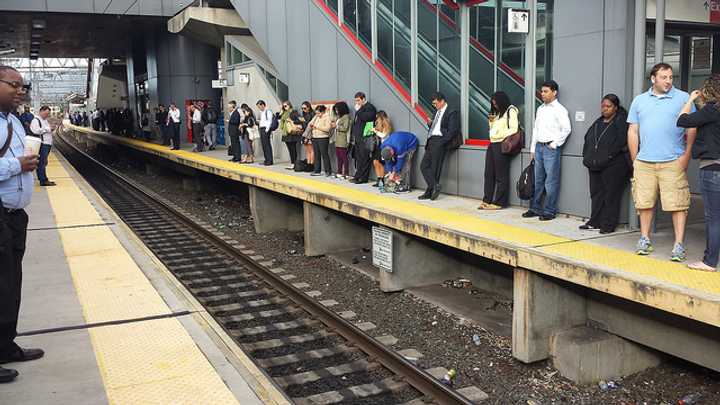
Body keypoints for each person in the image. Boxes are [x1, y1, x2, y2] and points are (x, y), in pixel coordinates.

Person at [0, 65, 43, 384]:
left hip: (15, 217)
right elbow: (11, 164)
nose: (20, 90)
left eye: (22, 85)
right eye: (13, 84)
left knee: (11, 283)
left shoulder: (13, 121)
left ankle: (5, 345)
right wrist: (17, 164)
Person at [628, 63, 696, 261]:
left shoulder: (683, 98)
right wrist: (635, 159)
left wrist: (686, 155)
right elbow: (633, 130)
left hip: (673, 161)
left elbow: (691, 128)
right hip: (644, 162)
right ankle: (644, 239)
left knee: (678, 204)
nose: (668, 81)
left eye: (670, 77)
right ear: (653, 79)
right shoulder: (639, 101)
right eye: (664, 77)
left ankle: (678, 245)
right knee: (644, 203)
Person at [677, 75, 720, 271]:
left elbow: (682, 120)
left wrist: (690, 100)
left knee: (714, 217)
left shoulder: (712, 110)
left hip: (713, 169)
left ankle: (709, 261)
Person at [580, 94, 631, 234]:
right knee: (596, 194)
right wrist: (588, 156)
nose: (605, 109)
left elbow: (621, 141)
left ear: (615, 107)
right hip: (595, 164)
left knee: (611, 195)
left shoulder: (621, 122)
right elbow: (588, 138)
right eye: (603, 106)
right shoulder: (598, 122)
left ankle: (608, 224)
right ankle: (594, 221)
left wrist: (608, 156)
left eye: (608, 106)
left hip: (614, 164)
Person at [523, 80, 571, 220]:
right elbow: (536, 129)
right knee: (537, 180)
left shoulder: (560, 110)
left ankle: (550, 211)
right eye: (542, 91)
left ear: (554, 92)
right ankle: (535, 208)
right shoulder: (540, 109)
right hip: (539, 147)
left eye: (545, 91)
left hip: (550, 148)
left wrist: (555, 144)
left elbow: (567, 129)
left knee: (550, 181)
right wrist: (533, 148)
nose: (542, 94)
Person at [481, 91, 518, 210]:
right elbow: (492, 130)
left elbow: (514, 129)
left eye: (496, 103)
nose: (495, 106)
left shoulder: (511, 110)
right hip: (492, 144)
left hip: (502, 144)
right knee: (488, 173)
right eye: (493, 104)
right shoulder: (496, 114)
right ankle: (487, 199)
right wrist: (491, 123)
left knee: (501, 175)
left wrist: (499, 134)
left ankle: (500, 202)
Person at [419, 92, 460, 201]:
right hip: (431, 140)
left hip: (439, 141)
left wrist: (442, 141)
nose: (434, 106)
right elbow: (437, 126)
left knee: (434, 169)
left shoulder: (452, 111)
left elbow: (453, 130)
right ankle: (434, 186)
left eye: (436, 103)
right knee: (423, 166)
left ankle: (429, 191)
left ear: (442, 101)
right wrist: (430, 124)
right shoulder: (437, 112)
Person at [349, 92, 377, 184]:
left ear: (363, 99)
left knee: (365, 158)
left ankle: (363, 178)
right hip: (358, 137)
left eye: (358, 100)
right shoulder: (360, 108)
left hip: (365, 137)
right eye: (356, 100)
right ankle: (357, 176)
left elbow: (367, 118)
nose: (357, 102)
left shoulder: (370, 107)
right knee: (359, 158)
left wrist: (358, 111)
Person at [29, 105, 55, 187]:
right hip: (42, 144)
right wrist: (48, 129)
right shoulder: (36, 120)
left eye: (48, 114)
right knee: (42, 163)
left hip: (47, 143)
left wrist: (51, 129)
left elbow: (46, 130)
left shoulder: (45, 120)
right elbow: (35, 130)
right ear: (41, 111)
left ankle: (44, 178)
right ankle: (43, 180)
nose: (46, 115)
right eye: (45, 113)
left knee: (44, 162)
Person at [309, 105, 333, 177]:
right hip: (315, 137)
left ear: (323, 112)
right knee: (317, 155)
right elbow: (311, 123)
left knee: (324, 154)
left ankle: (328, 171)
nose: (317, 114)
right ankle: (317, 170)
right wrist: (315, 117)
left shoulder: (327, 117)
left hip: (323, 138)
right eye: (316, 113)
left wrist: (317, 127)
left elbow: (327, 129)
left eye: (318, 113)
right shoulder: (316, 117)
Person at [371, 111, 393, 188]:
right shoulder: (379, 124)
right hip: (378, 146)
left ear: (381, 117)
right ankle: (379, 179)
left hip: (385, 146)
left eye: (378, 117)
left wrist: (376, 131)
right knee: (375, 162)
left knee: (381, 163)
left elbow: (384, 136)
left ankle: (381, 180)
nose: (377, 119)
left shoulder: (387, 125)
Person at [332, 101, 351, 179]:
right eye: (335, 110)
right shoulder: (339, 117)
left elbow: (345, 128)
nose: (336, 111)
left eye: (337, 109)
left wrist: (336, 126)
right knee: (339, 157)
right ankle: (339, 172)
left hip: (343, 140)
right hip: (337, 140)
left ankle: (346, 173)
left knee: (344, 158)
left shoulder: (346, 117)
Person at [280, 101, 300, 168]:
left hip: (292, 133)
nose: (284, 107)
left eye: (286, 106)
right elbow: (279, 119)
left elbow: (299, 120)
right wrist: (280, 112)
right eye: (284, 106)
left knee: (293, 149)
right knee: (290, 149)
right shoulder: (284, 113)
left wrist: (291, 121)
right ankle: (292, 163)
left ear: (289, 105)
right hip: (286, 133)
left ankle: (295, 163)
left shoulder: (293, 112)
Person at [256, 100, 274, 165]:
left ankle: (269, 160)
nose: (259, 108)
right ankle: (266, 159)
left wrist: (266, 130)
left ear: (263, 105)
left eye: (259, 106)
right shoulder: (262, 112)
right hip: (261, 129)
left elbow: (269, 121)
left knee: (267, 145)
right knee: (264, 145)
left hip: (265, 130)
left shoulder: (268, 111)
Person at [300, 101, 315, 166]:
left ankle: (311, 165)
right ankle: (308, 163)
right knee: (307, 150)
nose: (303, 110)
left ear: (309, 107)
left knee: (311, 150)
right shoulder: (304, 114)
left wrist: (304, 122)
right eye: (302, 108)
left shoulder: (312, 114)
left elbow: (310, 126)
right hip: (304, 134)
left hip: (310, 135)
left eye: (305, 108)